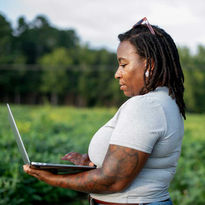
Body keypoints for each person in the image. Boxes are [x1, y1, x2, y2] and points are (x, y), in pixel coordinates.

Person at [23, 17, 185, 205]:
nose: (117, 73)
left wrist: (51, 178)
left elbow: (113, 180)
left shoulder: (146, 106)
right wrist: (91, 165)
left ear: (149, 65)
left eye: (123, 64)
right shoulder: (166, 101)